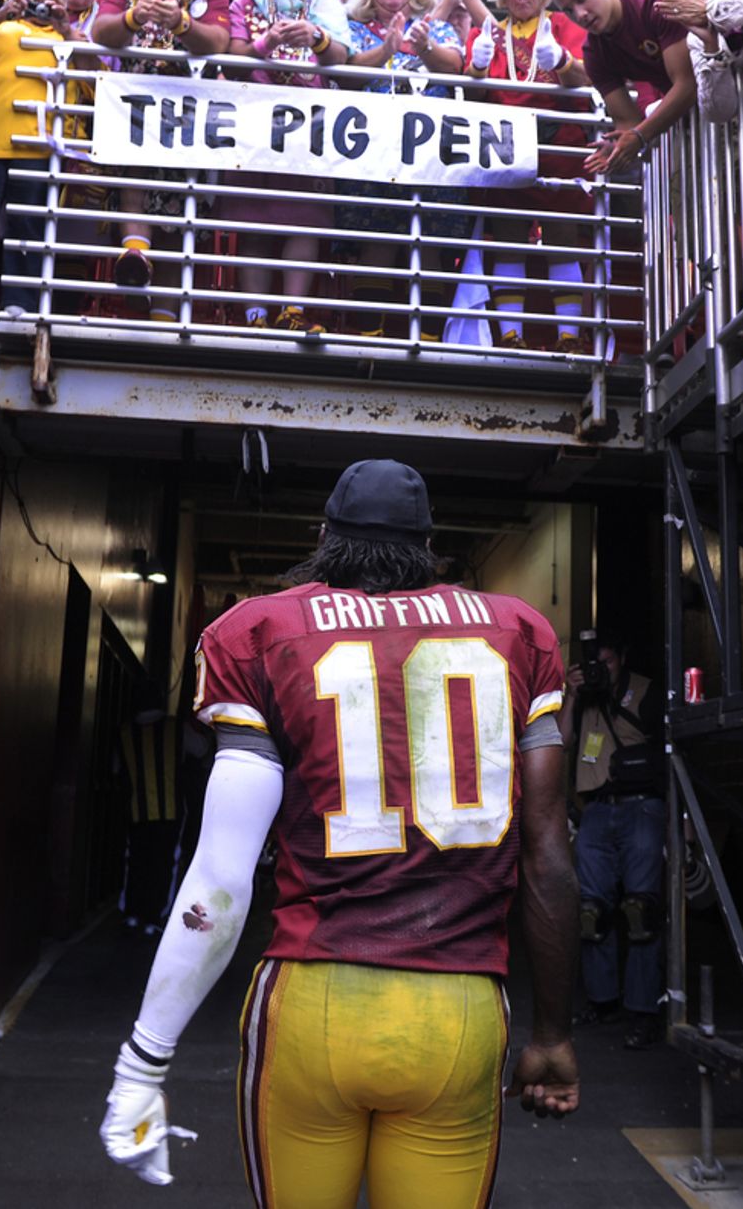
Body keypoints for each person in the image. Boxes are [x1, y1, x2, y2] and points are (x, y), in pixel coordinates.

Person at [100, 458, 581, 1203]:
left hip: (312, 999)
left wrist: (144, 1061)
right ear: (430, 550)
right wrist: (552, 1032)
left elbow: (223, 875)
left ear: (323, 536)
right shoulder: (520, 632)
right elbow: (548, 854)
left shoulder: (260, 632)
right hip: (459, 1012)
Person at [92, 0, 230, 321]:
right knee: (133, 179)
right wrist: (136, 16)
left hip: (190, 120)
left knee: (180, 211)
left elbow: (220, 42)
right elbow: (101, 32)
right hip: (132, 109)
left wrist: (182, 23)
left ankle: (164, 316)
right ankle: (134, 260)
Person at [464, 0, 591, 353]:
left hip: (561, 150)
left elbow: (591, 83)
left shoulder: (568, 27)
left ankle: (569, 336)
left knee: (563, 240)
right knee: (508, 240)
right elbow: (473, 103)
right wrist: (477, 70)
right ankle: (511, 335)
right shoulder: (487, 34)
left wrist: (565, 63)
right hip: (505, 152)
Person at [224, 0, 350, 336]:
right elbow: (231, 56)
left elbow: (341, 57)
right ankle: (255, 316)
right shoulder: (245, 3)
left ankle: (293, 311)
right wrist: (269, 43)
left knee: (305, 218)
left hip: (311, 132)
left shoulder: (325, 4)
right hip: (255, 127)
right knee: (255, 221)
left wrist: (314, 38)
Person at [343, 0, 469, 338]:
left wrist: (423, 45)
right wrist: (387, 49)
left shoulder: (436, 25)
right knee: (376, 240)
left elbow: (455, 64)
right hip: (371, 155)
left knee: (429, 243)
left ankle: (429, 339)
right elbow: (346, 69)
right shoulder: (353, 28)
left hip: (431, 156)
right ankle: (369, 338)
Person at [558, 634, 665, 1050]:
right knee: (590, 912)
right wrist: (571, 693)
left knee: (641, 911)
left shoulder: (648, 692)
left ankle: (644, 1012)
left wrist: (682, 821)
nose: (600, 669)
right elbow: (563, 743)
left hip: (643, 807)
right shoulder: (583, 698)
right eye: (593, 663)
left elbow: (672, 753)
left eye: (607, 661)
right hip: (597, 811)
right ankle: (603, 1003)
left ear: (622, 657)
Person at [0, 0, 81, 320]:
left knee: (27, 226)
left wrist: (66, 28)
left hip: (37, 146)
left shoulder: (69, 39)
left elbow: (93, 82)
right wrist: (5, 12)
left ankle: (21, 302)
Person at [549, 0, 696, 175]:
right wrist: (618, 148)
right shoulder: (594, 53)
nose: (580, 14)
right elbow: (627, 121)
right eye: (569, 10)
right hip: (695, 126)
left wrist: (639, 136)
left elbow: (688, 85)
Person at [116, 684, 182, 937]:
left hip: (136, 810)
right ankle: (155, 917)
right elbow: (200, 749)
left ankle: (132, 912)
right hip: (170, 809)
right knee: (164, 863)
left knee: (135, 862)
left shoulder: (124, 732)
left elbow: (115, 769)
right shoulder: (176, 729)